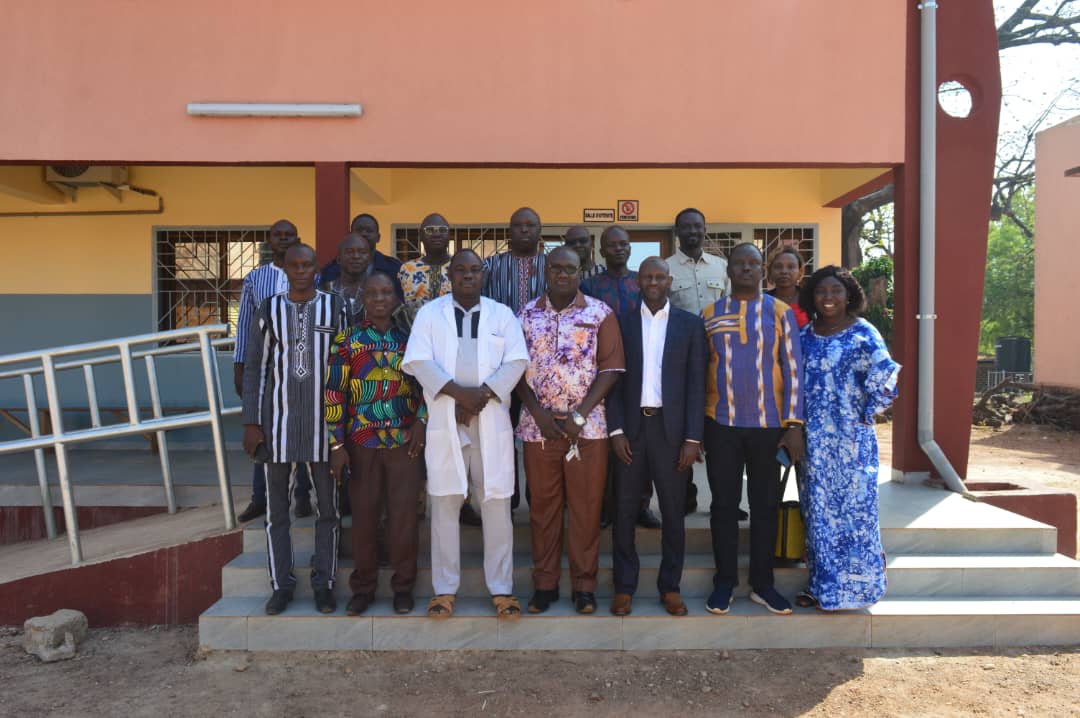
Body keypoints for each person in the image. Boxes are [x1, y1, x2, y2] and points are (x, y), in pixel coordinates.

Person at [403, 249, 530, 618]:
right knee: (444, 502)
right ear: (451, 276)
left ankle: (502, 589)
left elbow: (517, 361)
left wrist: (480, 396)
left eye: (475, 270)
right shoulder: (430, 314)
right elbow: (418, 361)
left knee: (496, 503)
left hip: (490, 418)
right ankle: (444, 590)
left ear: (483, 275)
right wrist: (459, 395)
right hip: (447, 418)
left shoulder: (501, 314)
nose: (468, 276)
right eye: (460, 270)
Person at [240, 243, 348, 616]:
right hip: (277, 427)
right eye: (294, 265)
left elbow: (344, 368)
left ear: (317, 268)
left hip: (324, 428)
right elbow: (256, 368)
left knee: (328, 510)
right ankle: (281, 585)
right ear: (284, 269)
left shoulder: (335, 307)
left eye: (307, 265)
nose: (301, 271)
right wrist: (251, 422)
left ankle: (324, 584)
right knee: (277, 513)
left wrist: (341, 432)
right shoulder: (269, 309)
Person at [516, 246, 625, 615]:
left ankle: (584, 587)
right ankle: (545, 585)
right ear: (545, 271)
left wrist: (580, 414)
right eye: (556, 268)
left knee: (586, 509)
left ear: (581, 272)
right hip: (539, 427)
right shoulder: (525, 315)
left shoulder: (599, 313)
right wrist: (538, 412)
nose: (563, 274)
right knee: (543, 509)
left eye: (570, 268)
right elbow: (512, 368)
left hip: (587, 428)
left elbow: (611, 369)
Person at [701, 242, 804, 617]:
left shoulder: (780, 312)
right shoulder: (709, 314)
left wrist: (794, 425)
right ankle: (724, 583)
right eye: (739, 263)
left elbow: (793, 369)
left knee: (765, 507)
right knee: (723, 507)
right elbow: (701, 370)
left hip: (769, 428)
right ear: (728, 271)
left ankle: (763, 584)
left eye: (753, 263)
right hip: (721, 425)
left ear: (763, 271)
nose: (746, 268)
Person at [606, 257, 706, 617]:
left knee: (673, 513)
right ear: (638, 281)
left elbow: (697, 384)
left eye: (659, 277)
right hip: (631, 430)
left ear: (669, 281)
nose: (652, 282)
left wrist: (693, 438)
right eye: (647, 276)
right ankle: (624, 588)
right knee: (624, 511)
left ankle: (670, 587)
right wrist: (616, 430)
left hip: (672, 432)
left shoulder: (690, 325)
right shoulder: (621, 323)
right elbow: (612, 379)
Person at [796, 266, 900, 611]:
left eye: (835, 291)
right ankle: (822, 587)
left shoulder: (863, 333)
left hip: (852, 442)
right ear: (812, 297)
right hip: (813, 444)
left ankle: (859, 590)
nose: (828, 297)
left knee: (856, 515)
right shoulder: (804, 336)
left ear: (848, 295)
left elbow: (885, 378)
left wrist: (864, 416)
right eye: (821, 291)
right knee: (818, 514)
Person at [326, 272, 427, 616]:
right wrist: (336, 445)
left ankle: (403, 587)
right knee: (365, 517)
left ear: (396, 298)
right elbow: (334, 393)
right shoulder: (347, 340)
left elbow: (427, 384)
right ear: (363, 299)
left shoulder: (410, 339)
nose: (380, 298)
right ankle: (363, 588)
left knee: (404, 517)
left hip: (404, 441)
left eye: (386, 292)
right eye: (373, 293)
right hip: (361, 441)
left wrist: (422, 421)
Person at [234, 219, 313, 523]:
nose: (283, 239)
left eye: (289, 235)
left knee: (303, 428)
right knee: (264, 432)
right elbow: (244, 325)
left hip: (303, 366)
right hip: (266, 368)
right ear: (269, 241)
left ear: (297, 238)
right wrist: (240, 366)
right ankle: (260, 498)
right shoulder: (256, 278)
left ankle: (302, 495)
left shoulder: (310, 274)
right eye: (278, 235)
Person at [581, 225, 657, 530]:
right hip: (601, 373)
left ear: (630, 248)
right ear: (601, 251)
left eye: (623, 244)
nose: (618, 249)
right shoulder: (589, 286)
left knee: (641, 441)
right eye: (612, 245)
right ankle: (604, 505)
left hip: (640, 371)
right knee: (604, 444)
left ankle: (641, 505)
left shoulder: (642, 282)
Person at [482, 206, 548, 510]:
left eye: (530, 225)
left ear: (539, 230)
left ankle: (540, 496)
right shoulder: (491, 266)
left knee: (540, 434)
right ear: (509, 231)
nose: (524, 230)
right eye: (518, 225)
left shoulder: (552, 265)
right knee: (503, 433)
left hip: (543, 367)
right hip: (500, 365)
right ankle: (509, 496)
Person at [667, 207, 730, 515]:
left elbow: (732, 308)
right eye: (686, 226)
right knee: (683, 427)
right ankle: (686, 494)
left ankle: (724, 500)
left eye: (697, 226)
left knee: (718, 429)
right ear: (677, 232)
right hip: (680, 361)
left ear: (705, 230)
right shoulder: (665, 268)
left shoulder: (722, 267)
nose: (692, 231)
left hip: (719, 359)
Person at [320, 213, 405, 300]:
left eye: (369, 231)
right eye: (359, 230)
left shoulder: (395, 268)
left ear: (378, 237)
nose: (364, 234)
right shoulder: (331, 269)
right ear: (350, 235)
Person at [398, 213, 453, 312]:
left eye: (442, 230)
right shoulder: (407, 269)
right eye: (429, 230)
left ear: (449, 235)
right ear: (421, 236)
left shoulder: (460, 267)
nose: (436, 234)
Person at [320, 232, 373, 326]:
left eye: (362, 252)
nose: (356, 256)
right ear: (338, 259)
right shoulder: (323, 291)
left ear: (369, 259)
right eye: (349, 252)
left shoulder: (380, 293)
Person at [766, 246, 810, 328]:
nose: (784, 271)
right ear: (770, 271)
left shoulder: (810, 299)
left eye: (791, 267)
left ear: (800, 272)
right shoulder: (763, 302)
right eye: (778, 267)